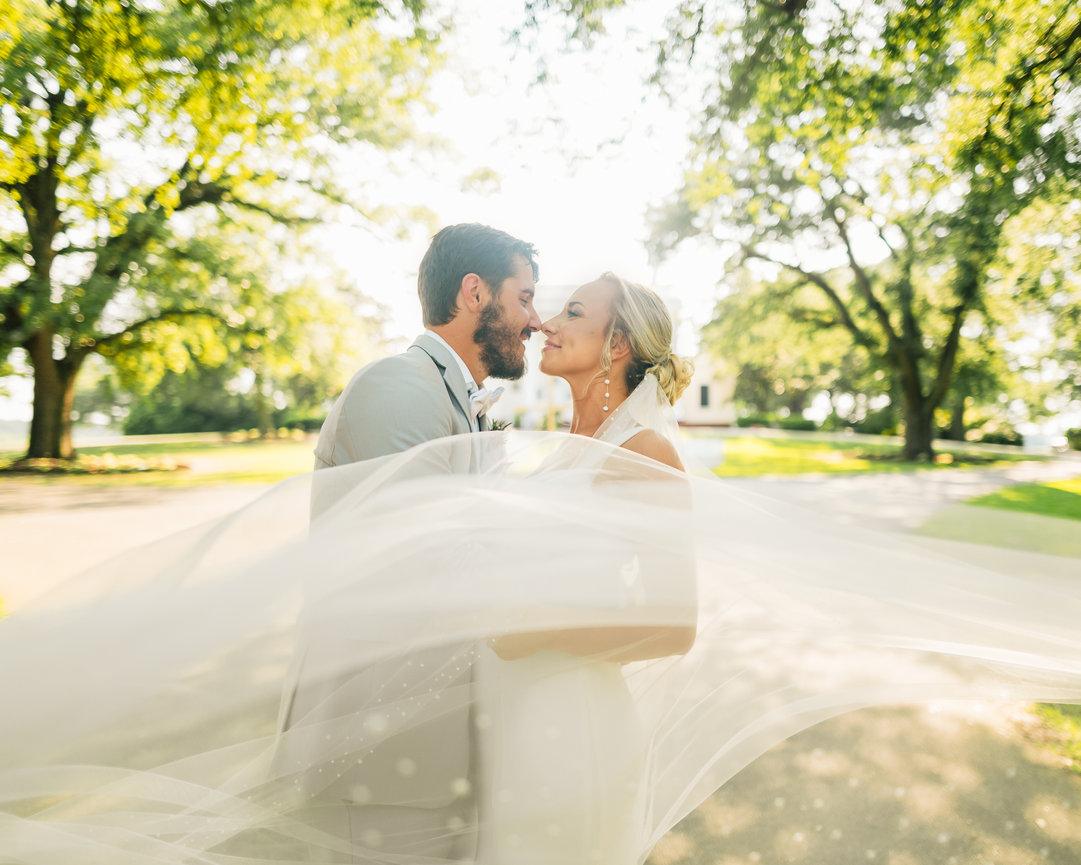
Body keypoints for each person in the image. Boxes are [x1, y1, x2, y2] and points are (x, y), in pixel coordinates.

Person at [3, 271, 1081, 865]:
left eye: (568, 311)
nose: (544, 320)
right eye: (544, 303)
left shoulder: (645, 454)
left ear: (614, 347)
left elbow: (671, 625)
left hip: (565, 712)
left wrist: (530, 633)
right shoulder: (550, 449)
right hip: (507, 712)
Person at [276, 222, 541, 862]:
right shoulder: (398, 387)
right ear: (475, 292)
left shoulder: (454, 398)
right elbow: (424, 562)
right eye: (525, 297)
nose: (535, 320)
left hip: (434, 736)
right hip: (377, 735)